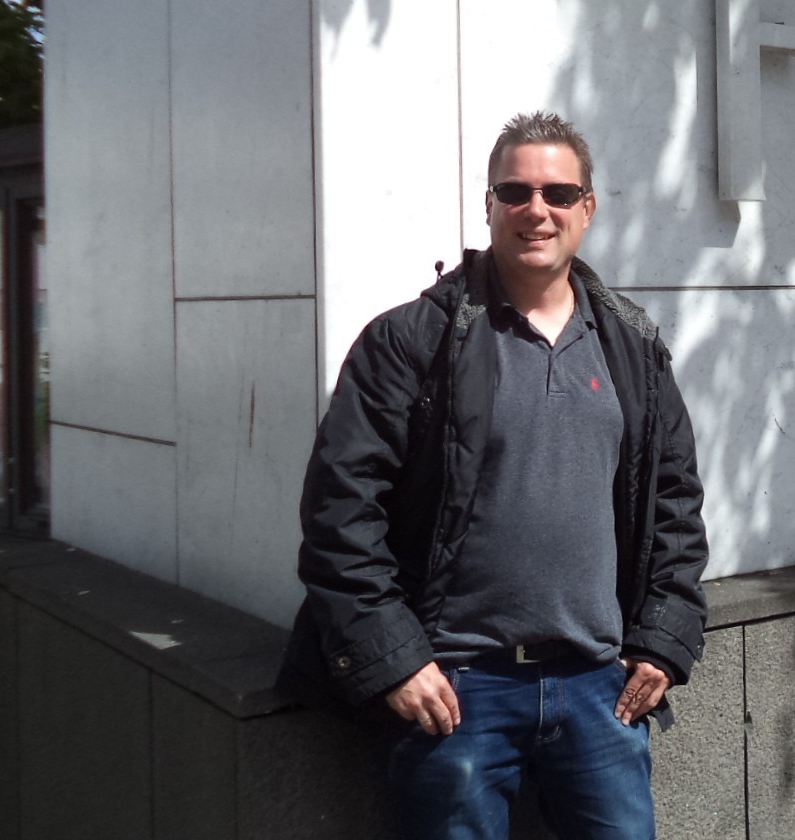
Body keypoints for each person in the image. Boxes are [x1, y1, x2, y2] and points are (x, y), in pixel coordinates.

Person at [281, 112, 708, 839]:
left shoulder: (633, 348)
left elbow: (675, 506)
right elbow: (340, 513)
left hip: (600, 691)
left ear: (587, 209)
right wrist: (394, 661)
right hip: (457, 696)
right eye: (515, 191)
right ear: (489, 205)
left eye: (558, 193)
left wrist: (664, 640)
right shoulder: (412, 341)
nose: (536, 209)